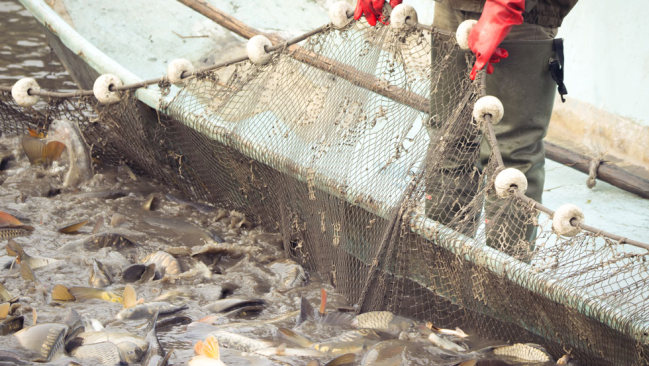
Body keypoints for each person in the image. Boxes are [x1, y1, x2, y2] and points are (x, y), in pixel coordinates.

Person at [354, 0, 578, 256]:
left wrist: (504, 7)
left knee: (510, 165)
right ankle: (442, 275)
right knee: (449, 139)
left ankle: (502, 286)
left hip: (524, 15)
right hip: (454, 7)